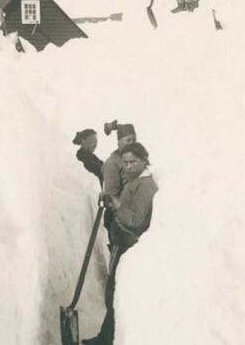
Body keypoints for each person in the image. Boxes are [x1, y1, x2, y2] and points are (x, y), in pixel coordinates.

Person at [83, 143, 158, 345]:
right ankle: (106, 338)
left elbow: (135, 219)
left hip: (128, 247)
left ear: (144, 160)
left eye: (133, 162)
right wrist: (111, 201)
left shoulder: (146, 186)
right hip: (120, 244)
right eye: (125, 163)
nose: (128, 167)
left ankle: (107, 340)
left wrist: (115, 204)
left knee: (115, 294)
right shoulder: (134, 181)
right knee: (111, 293)